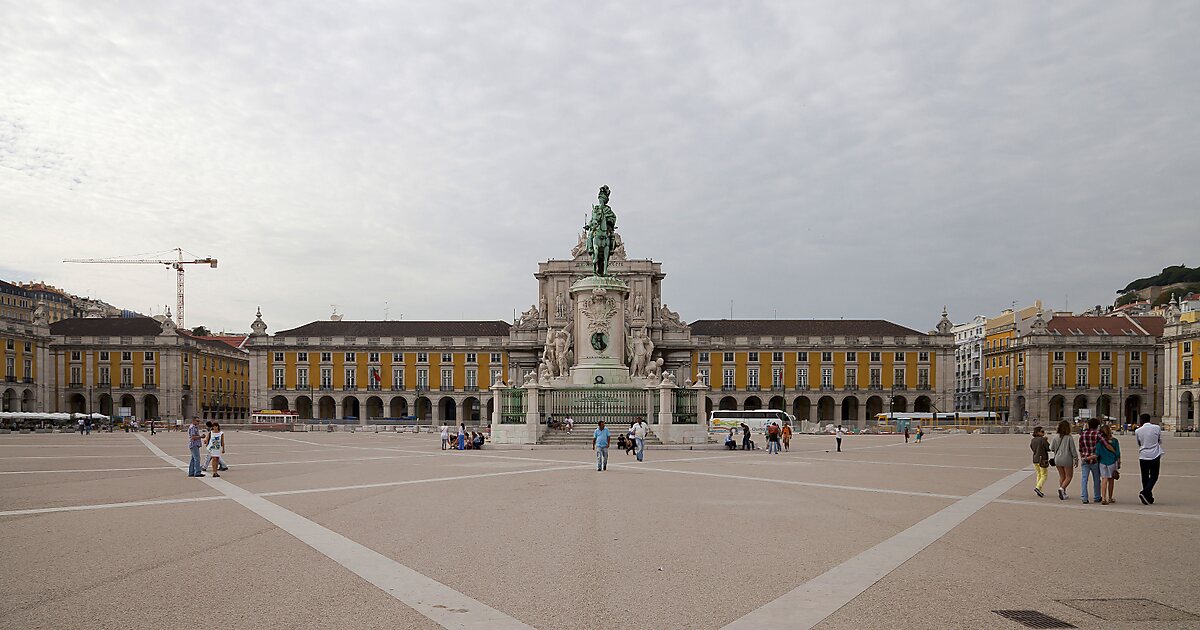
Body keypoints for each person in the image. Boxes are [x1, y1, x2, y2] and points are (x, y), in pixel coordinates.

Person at [1135, 413, 1163, 505]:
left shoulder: (1138, 431)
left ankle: (1148, 497)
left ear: (1141, 420)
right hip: (1155, 454)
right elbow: (1159, 440)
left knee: (1145, 477)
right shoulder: (1156, 428)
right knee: (1154, 475)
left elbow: (1139, 443)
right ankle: (1146, 493)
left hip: (1143, 455)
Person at [1050, 420, 1079, 500]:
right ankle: (1062, 489)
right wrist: (1076, 459)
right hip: (1067, 459)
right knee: (1069, 476)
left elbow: (1051, 448)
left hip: (1057, 459)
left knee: (1062, 476)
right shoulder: (1069, 437)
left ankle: (1063, 493)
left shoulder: (1055, 437)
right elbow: (1073, 450)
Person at [1077, 417, 1102, 504]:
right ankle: (1097, 496)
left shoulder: (1082, 434)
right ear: (1097, 426)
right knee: (1096, 479)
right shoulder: (1097, 435)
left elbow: (1080, 448)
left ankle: (1084, 497)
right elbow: (1104, 445)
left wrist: (1082, 458)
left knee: (1084, 479)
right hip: (1095, 459)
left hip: (1085, 459)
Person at [1095, 424, 1121, 505]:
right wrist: (1119, 461)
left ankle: (1103, 498)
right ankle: (1110, 497)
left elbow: (1097, 453)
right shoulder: (1115, 441)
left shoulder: (1099, 442)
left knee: (1104, 479)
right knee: (1111, 480)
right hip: (1112, 461)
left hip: (1102, 462)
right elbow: (1118, 453)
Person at [1029, 426, 1050, 497]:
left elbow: (1031, 447)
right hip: (1042, 459)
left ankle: (1039, 490)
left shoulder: (1033, 440)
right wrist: (1046, 441)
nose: (1044, 432)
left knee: (1038, 474)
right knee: (1044, 475)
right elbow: (1048, 448)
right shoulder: (1042, 440)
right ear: (1038, 432)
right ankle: (1038, 487)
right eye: (1042, 431)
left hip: (1035, 459)